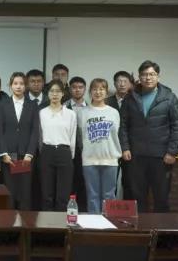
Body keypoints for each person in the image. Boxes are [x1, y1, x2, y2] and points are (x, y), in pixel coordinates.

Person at [119, 60, 178, 213]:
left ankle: (161, 228)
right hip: (135, 155)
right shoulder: (130, 97)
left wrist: (172, 152)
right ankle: (141, 228)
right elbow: (123, 125)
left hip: (161, 156)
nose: (148, 78)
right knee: (137, 197)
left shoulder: (169, 97)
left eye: (152, 74)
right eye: (144, 74)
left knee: (161, 198)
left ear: (158, 77)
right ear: (139, 77)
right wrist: (125, 147)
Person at [78, 78, 122, 214]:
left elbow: (116, 135)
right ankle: (94, 224)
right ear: (90, 92)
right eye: (95, 89)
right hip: (89, 160)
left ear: (106, 92)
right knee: (92, 195)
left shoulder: (114, 112)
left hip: (110, 159)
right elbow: (80, 136)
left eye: (101, 89)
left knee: (109, 195)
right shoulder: (82, 112)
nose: (98, 92)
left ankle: (109, 223)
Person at [0, 72, 40, 210]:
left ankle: (24, 222)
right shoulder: (3, 105)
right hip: (9, 156)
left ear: (26, 86)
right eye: (15, 83)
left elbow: (35, 131)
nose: (18, 86)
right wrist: (3, 153)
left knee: (25, 193)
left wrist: (30, 153)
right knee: (10, 192)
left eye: (21, 83)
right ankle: (10, 223)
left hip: (25, 156)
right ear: (10, 86)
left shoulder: (32, 105)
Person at [39, 80, 77, 211]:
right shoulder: (42, 113)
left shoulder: (71, 114)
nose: (55, 94)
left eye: (58, 91)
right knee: (46, 194)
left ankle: (61, 222)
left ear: (63, 93)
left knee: (63, 194)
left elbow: (72, 136)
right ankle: (46, 222)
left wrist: (70, 155)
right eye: (52, 91)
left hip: (64, 152)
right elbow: (39, 136)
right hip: (47, 151)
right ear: (48, 93)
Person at [106, 70, 135, 200]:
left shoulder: (136, 101)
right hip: (111, 148)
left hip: (130, 148)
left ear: (130, 84)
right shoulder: (106, 102)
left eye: (125, 81)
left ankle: (128, 209)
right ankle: (109, 208)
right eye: (119, 81)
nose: (122, 84)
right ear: (114, 84)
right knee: (110, 183)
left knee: (129, 182)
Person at [65, 76, 88, 211]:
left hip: (86, 151)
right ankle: (69, 211)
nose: (77, 90)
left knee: (84, 182)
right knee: (69, 182)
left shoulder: (91, 107)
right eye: (74, 87)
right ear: (70, 89)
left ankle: (83, 212)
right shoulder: (63, 107)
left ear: (85, 89)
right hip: (68, 151)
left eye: (80, 87)